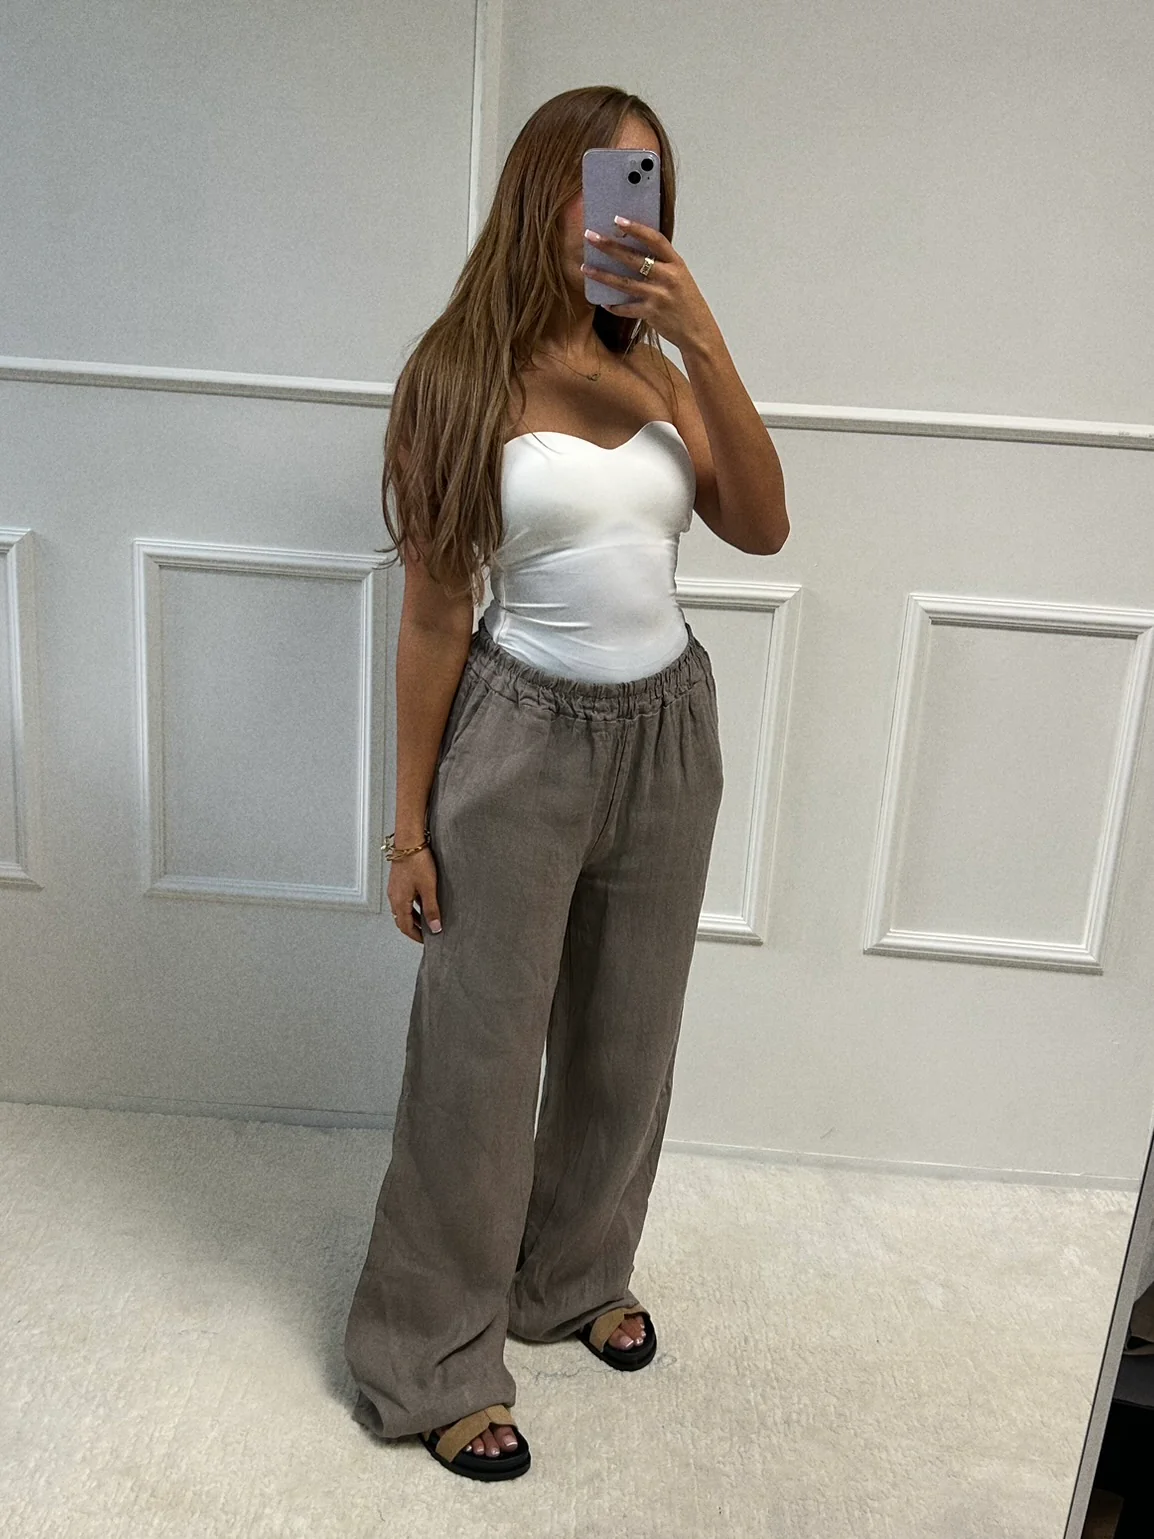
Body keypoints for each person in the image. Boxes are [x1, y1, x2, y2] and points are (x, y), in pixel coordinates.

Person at [343, 84, 789, 1483]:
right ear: (544, 188)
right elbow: (434, 615)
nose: (621, 211)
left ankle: (572, 1275)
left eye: (645, 183)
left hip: (669, 734)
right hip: (520, 740)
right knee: (476, 1063)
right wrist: (408, 829)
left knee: (626, 1040)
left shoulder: (657, 364)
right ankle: (427, 1357)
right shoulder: (456, 375)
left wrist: (701, 337)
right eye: (602, 179)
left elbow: (762, 526)